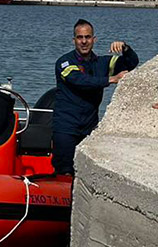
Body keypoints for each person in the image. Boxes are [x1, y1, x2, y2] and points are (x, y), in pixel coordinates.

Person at [52, 19, 138, 176]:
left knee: (86, 173)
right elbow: (80, 81)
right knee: (64, 171)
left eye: (87, 37)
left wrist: (125, 48)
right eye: (80, 37)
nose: (84, 41)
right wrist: (111, 79)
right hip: (66, 127)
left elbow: (131, 63)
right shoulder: (64, 63)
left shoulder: (103, 62)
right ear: (74, 40)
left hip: (89, 128)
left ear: (94, 39)